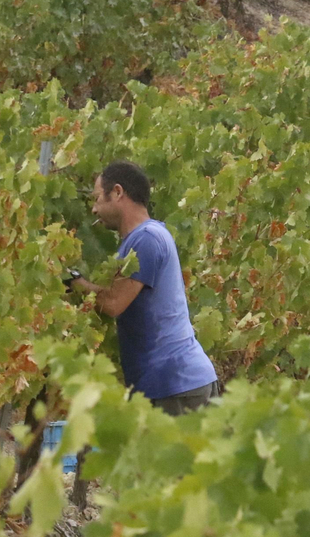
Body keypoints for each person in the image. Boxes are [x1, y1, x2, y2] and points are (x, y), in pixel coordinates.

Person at [70, 161, 219, 416]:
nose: (94, 209)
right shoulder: (148, 235)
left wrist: (75, 283)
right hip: (177, 382)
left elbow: (114, 303)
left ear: (117, 192)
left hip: (174, 385)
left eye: (97, 199)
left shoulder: (146, 240)